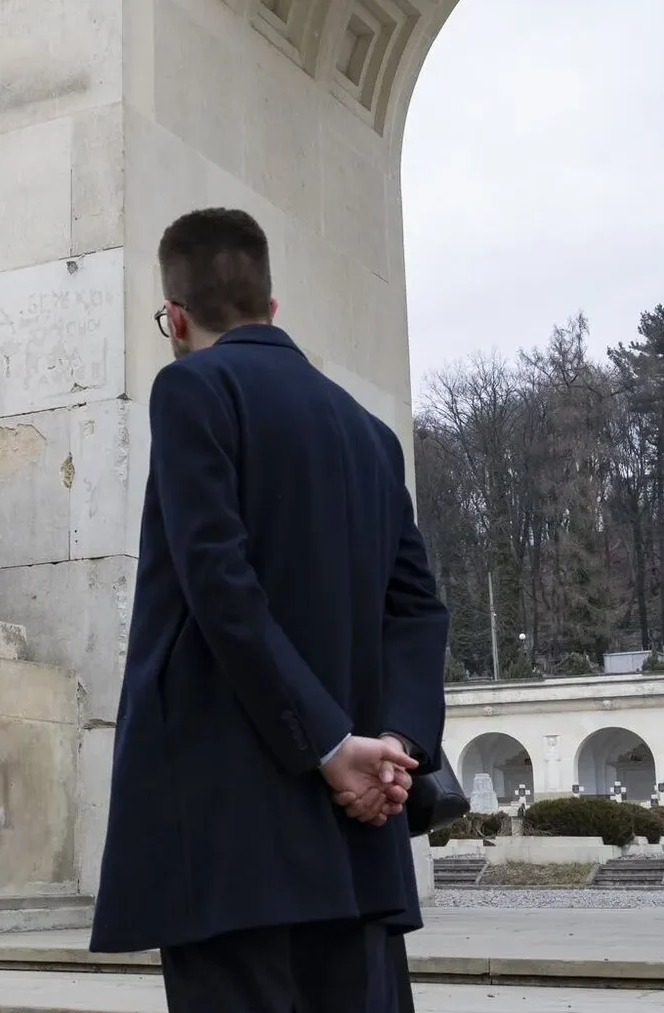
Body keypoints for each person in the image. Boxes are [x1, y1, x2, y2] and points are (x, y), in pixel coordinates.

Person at [89, 209, 449, 1012]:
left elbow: (219, 581)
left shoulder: (189, 386)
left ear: (174, 318)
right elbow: (419, 611)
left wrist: (329, 746)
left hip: (227, 839)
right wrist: (392, 747)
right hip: (360, 836)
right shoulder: (369, 434)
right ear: (272, 307)